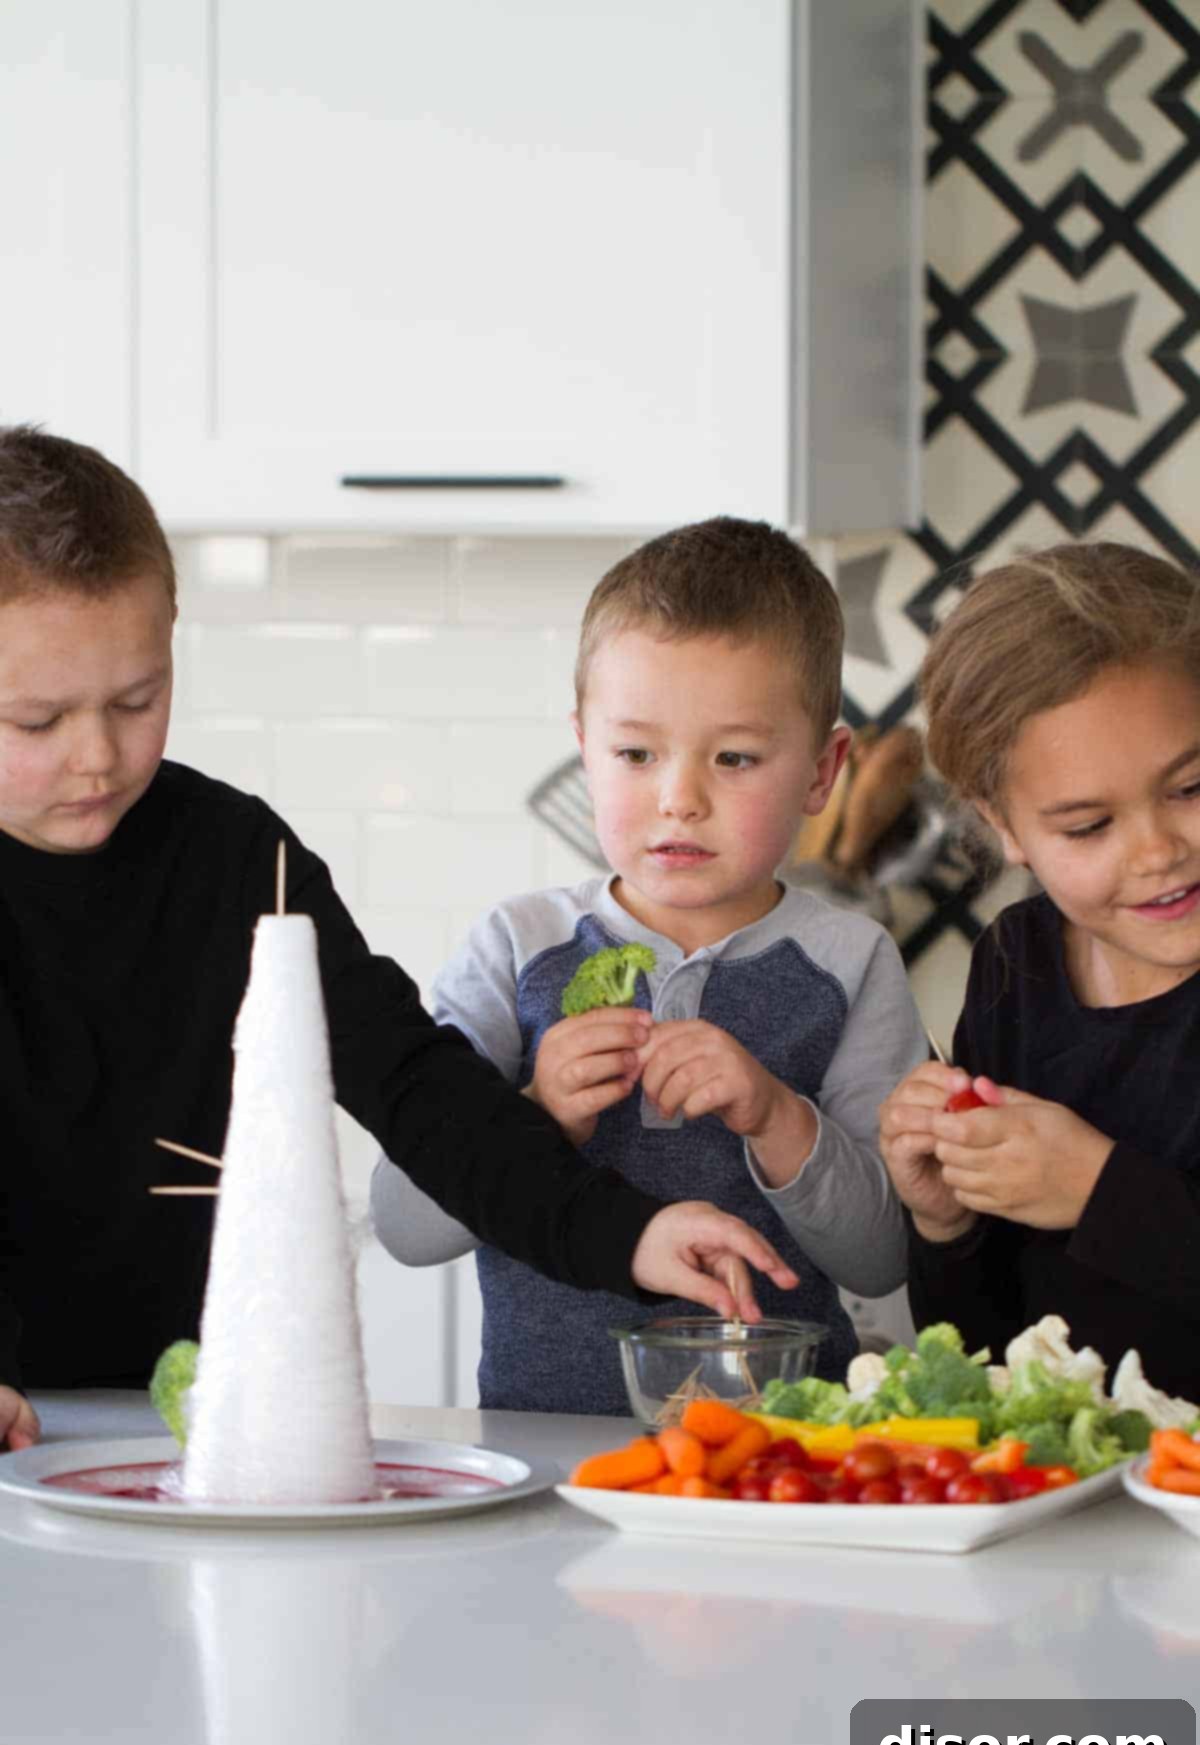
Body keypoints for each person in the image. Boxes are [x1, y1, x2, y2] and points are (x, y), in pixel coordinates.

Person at [0, 429, 800, 1454]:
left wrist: (627, 1232)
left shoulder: (235, 858)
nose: (100, 756)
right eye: (36, 722)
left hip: (182, 1426)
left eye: (137, 700)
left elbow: (420, 1088)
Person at [372, 517, 929, 1413]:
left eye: (736, 758)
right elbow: (402, 1224)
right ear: (585, 747)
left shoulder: (852, 962)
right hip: (542, 1451)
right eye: (636, 754)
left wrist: (776, 1115)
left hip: (782, 1463)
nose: (680, 798)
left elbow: (884, 1256)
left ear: (823, 772)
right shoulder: (515, 949)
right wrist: (535, 1117)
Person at [879, 541, 1200, 1399]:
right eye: (1090, 825)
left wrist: (1099, 1191)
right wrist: (948, 1223)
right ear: (1007, 828)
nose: (1159, 850)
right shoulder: (1017, 964)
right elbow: (989, 1353)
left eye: (1191, 786)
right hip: (1075, 1507)